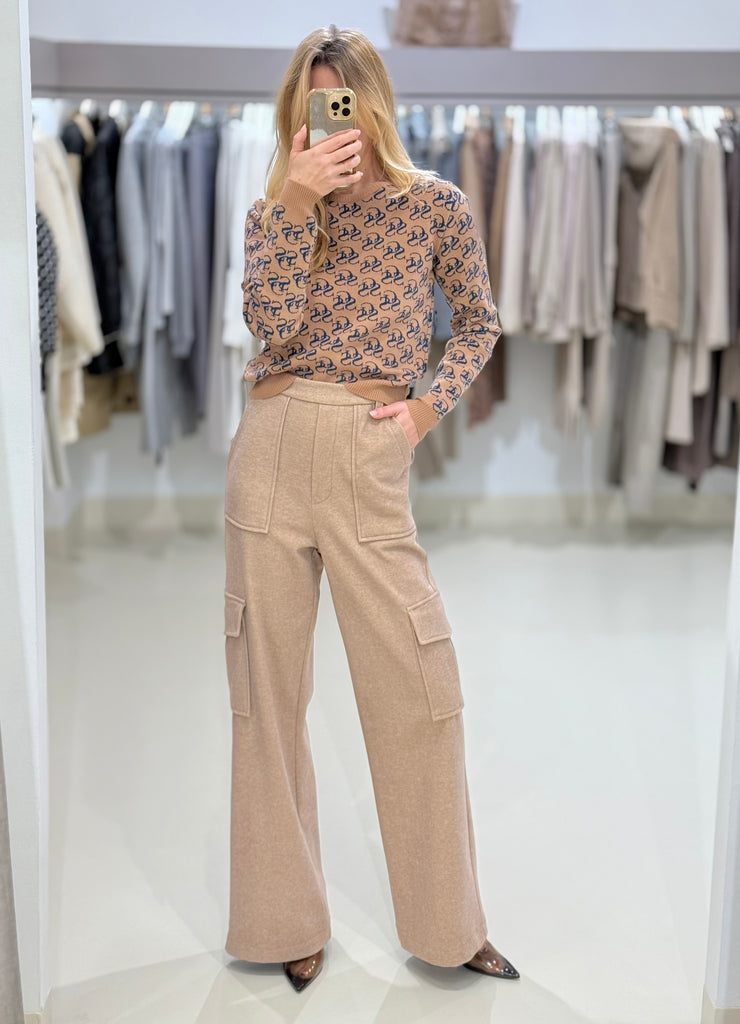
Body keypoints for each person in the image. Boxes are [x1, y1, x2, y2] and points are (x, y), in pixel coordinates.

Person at [223, 24, 519, 993]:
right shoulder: (274, 208)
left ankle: (448, 924)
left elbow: (478, 321)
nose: (330, 120)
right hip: (271, 447)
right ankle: (283, 918)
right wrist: (295, 201)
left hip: (366, 448)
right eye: (313, 103)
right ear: (295, 112)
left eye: (342, 100)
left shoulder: (434, 203)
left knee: (419, 688)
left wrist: (424, 411)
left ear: (374, 101)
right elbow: (266, 324)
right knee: (266, 700)